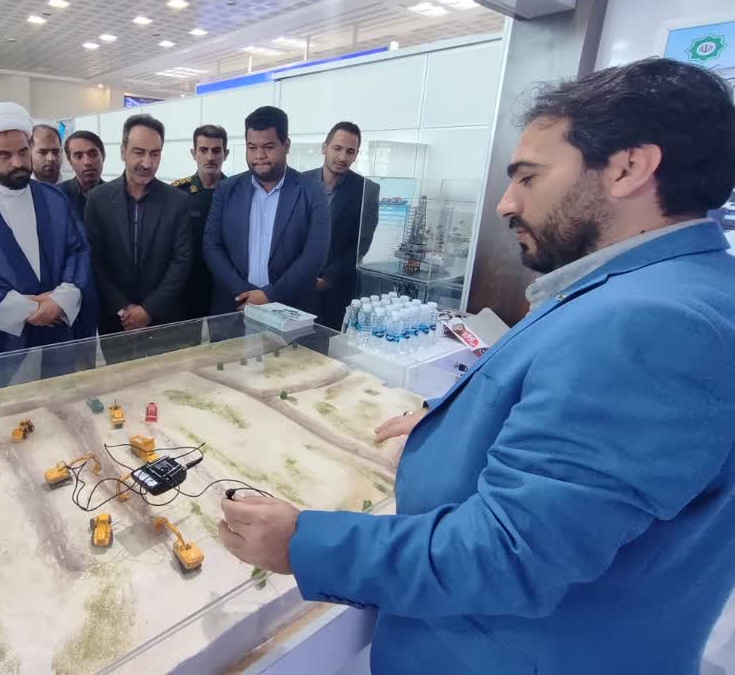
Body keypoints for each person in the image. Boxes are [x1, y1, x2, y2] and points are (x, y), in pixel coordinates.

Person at [217, 58, 735, 675]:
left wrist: (303, 543)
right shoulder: (674, 285)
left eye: (529, 177)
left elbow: (511, 552)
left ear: (628, 168)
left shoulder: (654, 322)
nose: (506, 203)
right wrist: (455, 428)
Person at [0, 102, 97, 363]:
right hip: (2, 343)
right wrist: (28, 310)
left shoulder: (54, 199)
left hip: (59, 327)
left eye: (23, 152)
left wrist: (61, 300)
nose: (18, 163)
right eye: (4, 155)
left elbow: (77, 250)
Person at [204, 106, 330, 315]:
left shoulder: (312, 191)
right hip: (234, 305)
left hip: (290, 309)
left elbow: (315, 255)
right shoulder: (227, 190)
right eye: (252, 147)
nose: (259, 156)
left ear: (286, 145)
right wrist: (245, 293)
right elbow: (212, 246)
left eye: (268, 147)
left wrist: (269, 295)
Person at [84, 115, 192, 338]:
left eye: (155, 153)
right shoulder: (98, 199)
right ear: (123, 151)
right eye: (139, 152)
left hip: (165, 319)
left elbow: (181, 262)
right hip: (116, 320)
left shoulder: (178, 202)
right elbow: (94, 261)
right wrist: (123, 308)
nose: (147, 163)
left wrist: (149, 309)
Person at [303, 121, 379, 329]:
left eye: (350, 151)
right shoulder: (301, 182)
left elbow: (361, 244)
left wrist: (328, 279)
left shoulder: (366, 190)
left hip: (337, 289)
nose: (343, 157)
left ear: (356, 155)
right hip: (297, 284)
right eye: (337, 148)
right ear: (324, 147)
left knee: (331, 345)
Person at [172, 124, 228, 319]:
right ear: (193, 153)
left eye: (216, 150)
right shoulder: (177, 194)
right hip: (187, 286)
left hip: (224, 285)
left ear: (226, 154)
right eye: (203, 150)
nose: (210, 157)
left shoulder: (236, 193)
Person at [59, 129, 105, 220]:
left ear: (103, 156)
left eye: (93, 154)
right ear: (70, 161)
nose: (87, 162)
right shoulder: (58, 195)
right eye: (79, 156)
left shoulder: (116, 195)